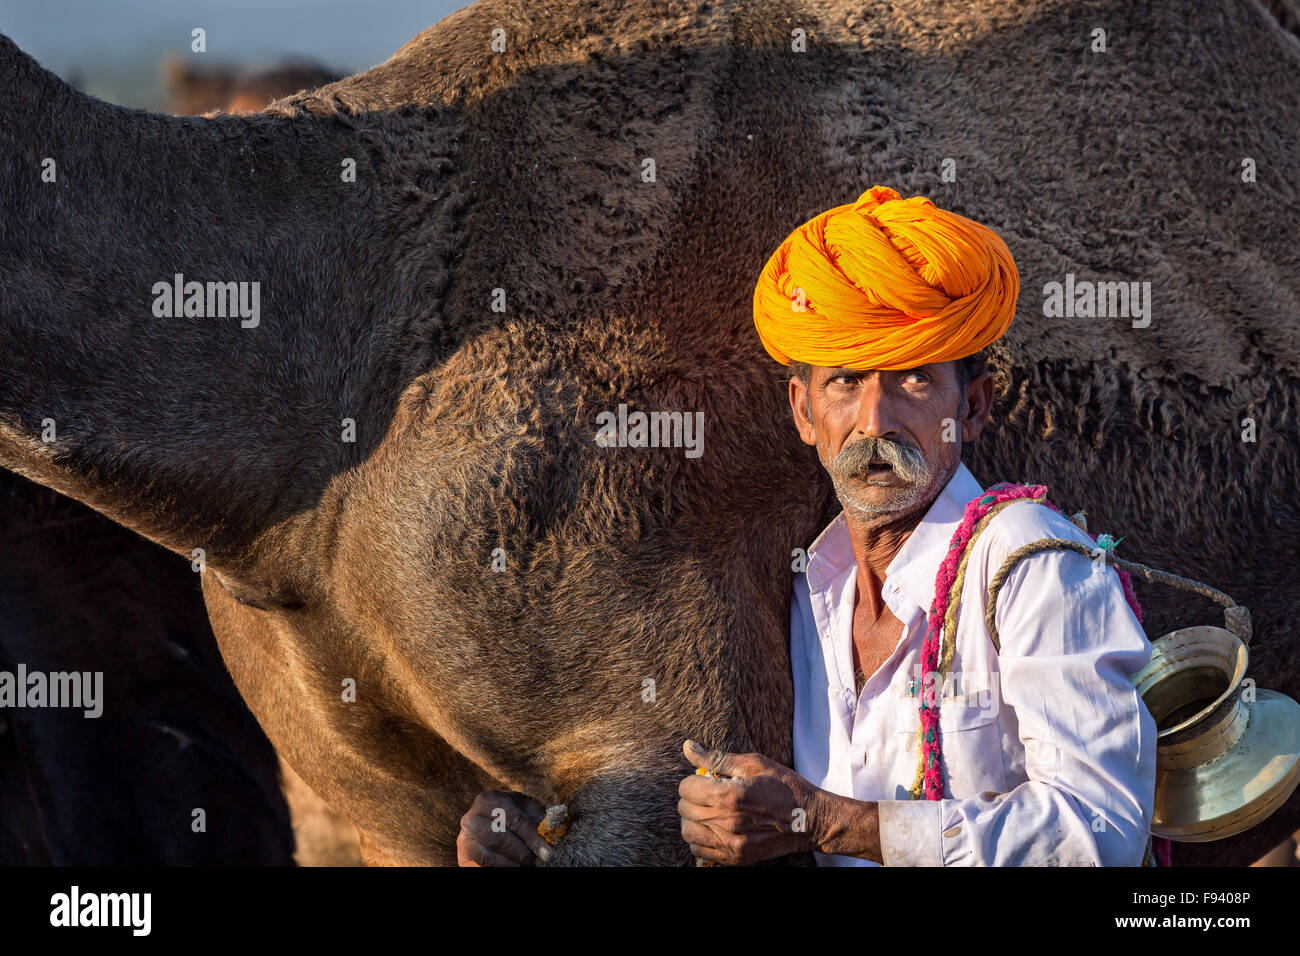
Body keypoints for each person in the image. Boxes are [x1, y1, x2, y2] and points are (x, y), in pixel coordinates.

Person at [456, 185, 1157, 867]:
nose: (875, 421)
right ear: (803, 412)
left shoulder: (1033, 565)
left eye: (913, 379)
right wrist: (533, 833)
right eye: (845, 382)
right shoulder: (808, 592)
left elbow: (1101, 832)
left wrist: (824, 821)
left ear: (971, 407)